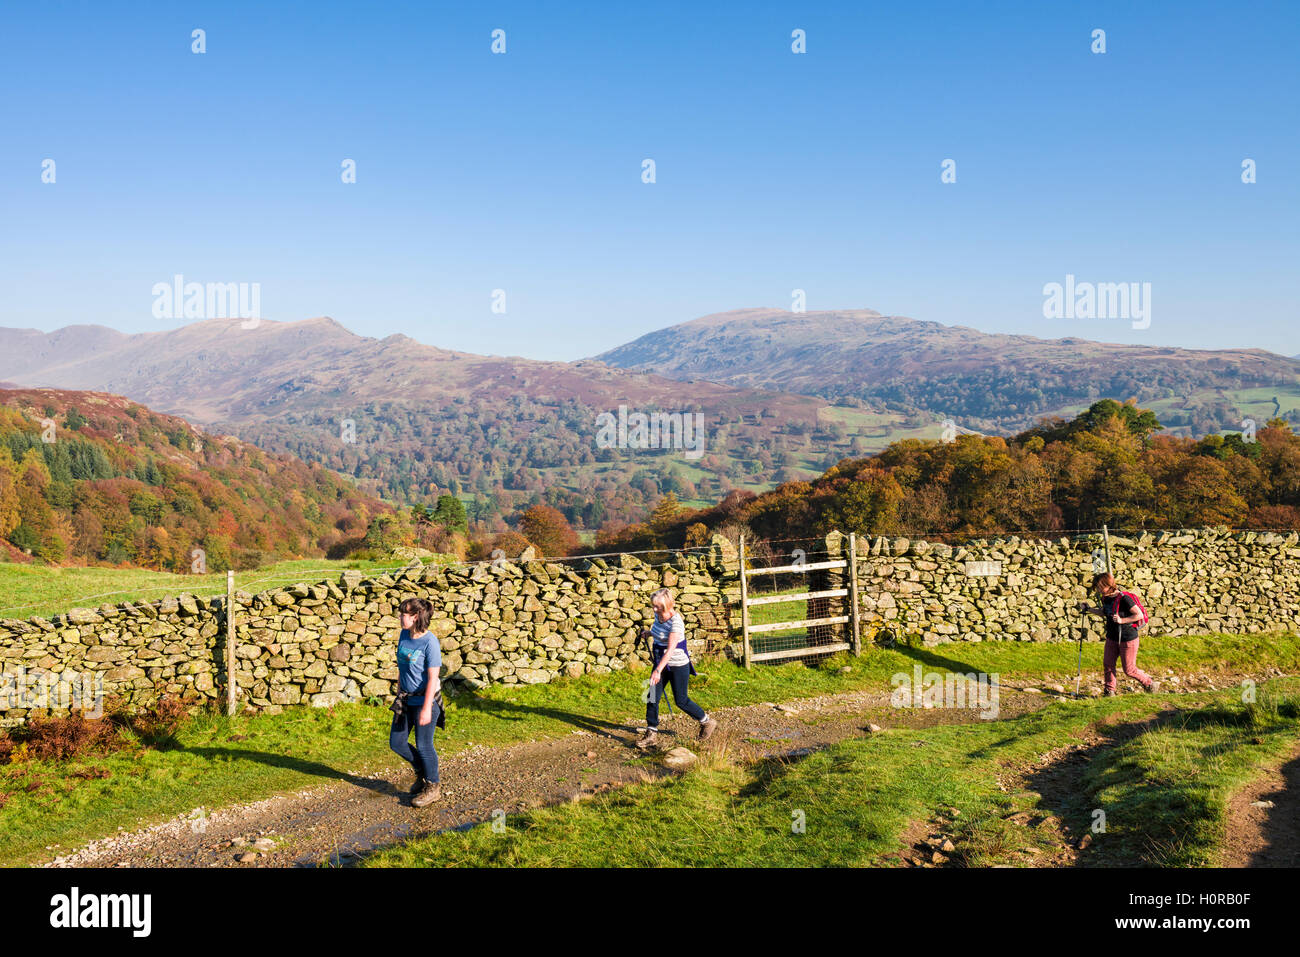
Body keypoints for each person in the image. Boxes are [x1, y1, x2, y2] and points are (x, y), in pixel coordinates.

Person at [636, 587, 718, 749]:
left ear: (667, 605)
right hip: (661, 663)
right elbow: (659, 633)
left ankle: (707, 722)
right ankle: (651, 733)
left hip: (677, 665)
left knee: (681, 701)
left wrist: (658, 670)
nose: (654, 609)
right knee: (651, 696)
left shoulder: (676, 622)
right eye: (653, 605)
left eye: (657, 606)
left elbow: (671, 648)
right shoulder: (657, 615)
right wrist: (649, 633)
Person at [390, 596, 444, 806]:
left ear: (416, 617)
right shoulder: (404, 634)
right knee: (397, 743)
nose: (401, 617)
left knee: (424, 745)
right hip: (405, 699)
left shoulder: (430, 642)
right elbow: (401, 666)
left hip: (425, 701)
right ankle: (422, 773)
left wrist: (427, 709)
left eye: (405, 614)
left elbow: (433, 678)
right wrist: (398, 690)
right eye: (401, 613)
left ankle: (432, 786)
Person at [1076, 572, 1158, 696]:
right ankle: (1109, 691)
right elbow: (1104, 612)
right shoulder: (1105, 598)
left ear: (1109, 585)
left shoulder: (1124, 598)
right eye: (1097, 587)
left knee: (1129, 670)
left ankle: (1150, 684)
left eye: (1100, 587)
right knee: (1108, 664)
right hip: (1112, 637)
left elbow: (1138, 615)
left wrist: (1122, 620)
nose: (1098, 590)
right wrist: (1089, 609)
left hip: (1128, 638)